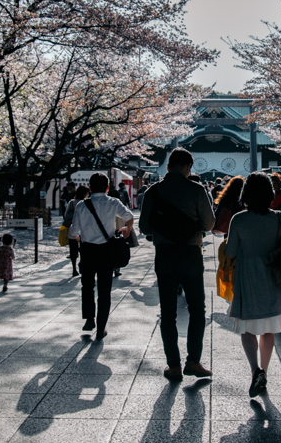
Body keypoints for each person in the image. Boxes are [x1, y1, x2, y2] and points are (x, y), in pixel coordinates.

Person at [139, 148, 216, 380]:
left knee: (167, 312)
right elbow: (210, 224)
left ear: (168, 166)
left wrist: (165, 229)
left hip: (164, 254)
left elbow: (144, 227)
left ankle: (173, 365)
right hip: (191, 254)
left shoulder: (153, 191)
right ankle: (193, 361)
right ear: (189, 168)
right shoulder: (197, 190)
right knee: (197, 309)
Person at [225, 172, 281, 398]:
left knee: (247, 328)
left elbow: (231, 252)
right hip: (272, 277)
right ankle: (264, 369)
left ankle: (255, 370)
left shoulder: (239, 220)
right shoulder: (277, 218)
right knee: (268, 328)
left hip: (247, 277)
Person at [68, 172, 133, 341]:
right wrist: (127, 230)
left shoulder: (82, 205)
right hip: (106, 251)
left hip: (88, 251)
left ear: (89, 187)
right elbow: (130, 217)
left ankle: (90, 319)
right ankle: (101, 327)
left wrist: (79, 237)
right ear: (108, 187)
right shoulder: (113, 202)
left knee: (87, 286)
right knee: (105, 290)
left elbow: (73, 232)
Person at [62, 185, 89, 277]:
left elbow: (66, 215)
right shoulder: (86, 203)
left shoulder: (72, 202)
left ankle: (74, 268)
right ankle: (82, 264)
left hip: (72, 228)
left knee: (73, 249)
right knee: (84, 249)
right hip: (84, 229)